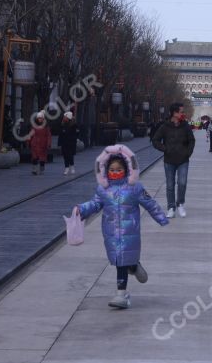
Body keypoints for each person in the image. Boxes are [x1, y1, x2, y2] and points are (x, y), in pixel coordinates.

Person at [75, 145, 169, 309]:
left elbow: (150, 203)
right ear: (105, 170)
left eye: (119, 169)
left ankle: (121, 294)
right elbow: (95, 204)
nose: (115, 171)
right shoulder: (103, 190)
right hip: (110, 233)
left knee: (121, 264)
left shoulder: (134, 188)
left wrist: (161, 217)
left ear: (126, 169)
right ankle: (134, 266)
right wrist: (81, 209)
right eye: (112, 169)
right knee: (119, 260)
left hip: (129, 232)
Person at [151, 102, 195, 218]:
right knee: (170, 185)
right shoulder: (165, 126)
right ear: (174, 113)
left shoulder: (185, 126)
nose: (183, 114)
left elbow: (192, 140)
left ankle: (180, 203)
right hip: (169, 160)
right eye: (181, 112)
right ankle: (171, 207)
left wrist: (188, 152)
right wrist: (165, 149)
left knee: (182, 183)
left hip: (183, 160)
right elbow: (155, 140)